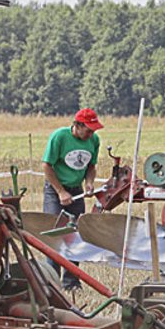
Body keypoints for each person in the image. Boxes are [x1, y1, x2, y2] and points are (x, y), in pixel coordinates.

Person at [42, 108, 103, 290]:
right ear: (77, 125)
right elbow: (47, 166)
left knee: (75, 236)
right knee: (55, 234)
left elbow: (91, 166)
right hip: (55, 190)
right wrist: (60, 191)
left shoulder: (94, 140)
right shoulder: (59, 137)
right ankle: (52, 283)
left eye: (94, 130)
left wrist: (89, 183)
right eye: (89, 129)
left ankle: (71, 283)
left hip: (76, 190)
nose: (92, 133)